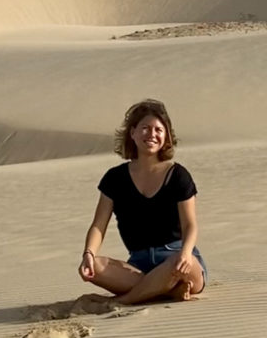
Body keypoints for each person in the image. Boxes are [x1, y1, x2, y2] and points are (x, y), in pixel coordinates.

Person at [78, 99, 207, 304]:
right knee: (97, 267)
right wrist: (89, 254)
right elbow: (98, 225)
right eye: (145, 128)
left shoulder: (178, 175)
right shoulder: (115, 178)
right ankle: (164, 289)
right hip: (139, 265)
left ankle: (125, 300)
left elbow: (190, 225)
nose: (152, 134)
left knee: (178, 265)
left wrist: (185, 252)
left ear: (166, 137)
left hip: (177, 259)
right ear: (132, 133)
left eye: (158, 130)